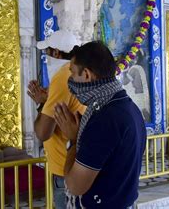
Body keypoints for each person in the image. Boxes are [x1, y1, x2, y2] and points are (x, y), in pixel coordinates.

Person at [54, 41, 147, 209]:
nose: (71, 80)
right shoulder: (128, 107)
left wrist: (74, 141)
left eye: (73, 73)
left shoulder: (104, 118)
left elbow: (75, 186)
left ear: (87, 75)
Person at [27, 30, 85, 209]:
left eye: (47, 52)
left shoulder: (62, 76)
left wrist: (40, 105)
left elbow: (43, 133)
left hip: (65, 168)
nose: (46, 57)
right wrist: (47, 101)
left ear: (56, 53)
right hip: (81, 163)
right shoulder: (79, 72)